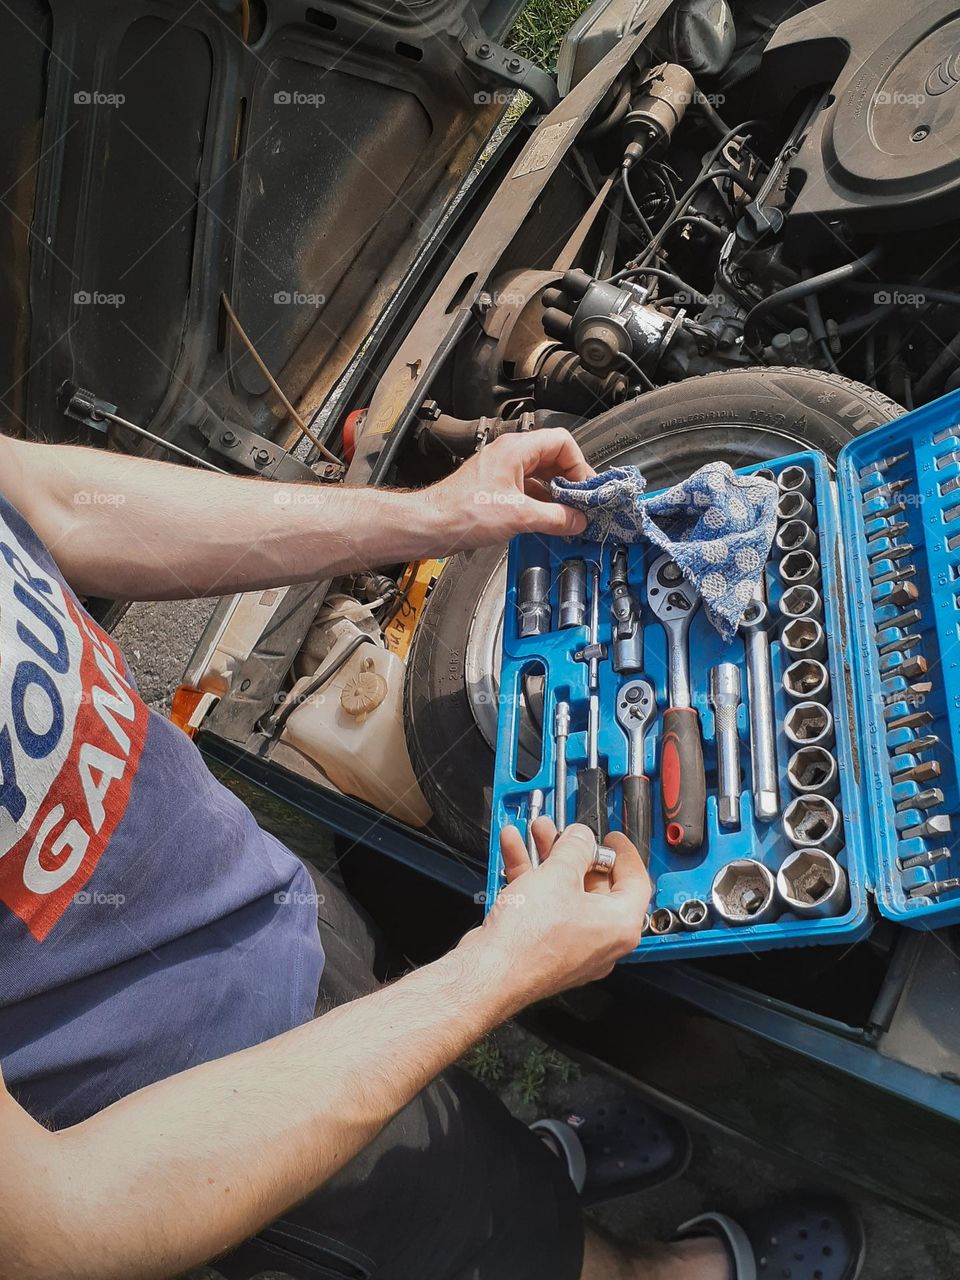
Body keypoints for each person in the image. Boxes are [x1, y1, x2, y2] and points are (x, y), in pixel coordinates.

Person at [0, 428, 863, 1280]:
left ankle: (525, 1158)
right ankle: (645, 1270)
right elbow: (60, 1230)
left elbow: (56, 504)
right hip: (215, 1117)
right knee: (494, 1237)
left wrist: (434, 516)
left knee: (439, 1084)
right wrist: (495, 971)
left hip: (263, 895)